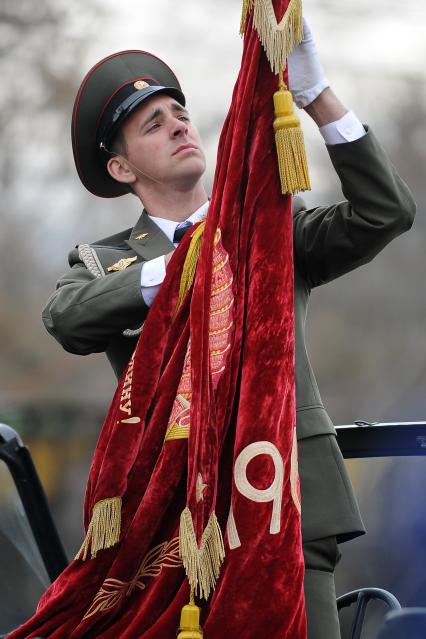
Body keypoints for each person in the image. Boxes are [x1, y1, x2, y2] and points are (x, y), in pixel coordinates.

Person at [41, 22, 416, 639]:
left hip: (283, 502)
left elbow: (385, 213)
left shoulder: (265, 228)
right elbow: (68, 319)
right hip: (175, 530)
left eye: (179, 113)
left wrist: (316, 94)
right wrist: (181, 267)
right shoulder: (107, 261)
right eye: (153, 125)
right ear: (121, 166)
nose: (180, 126)